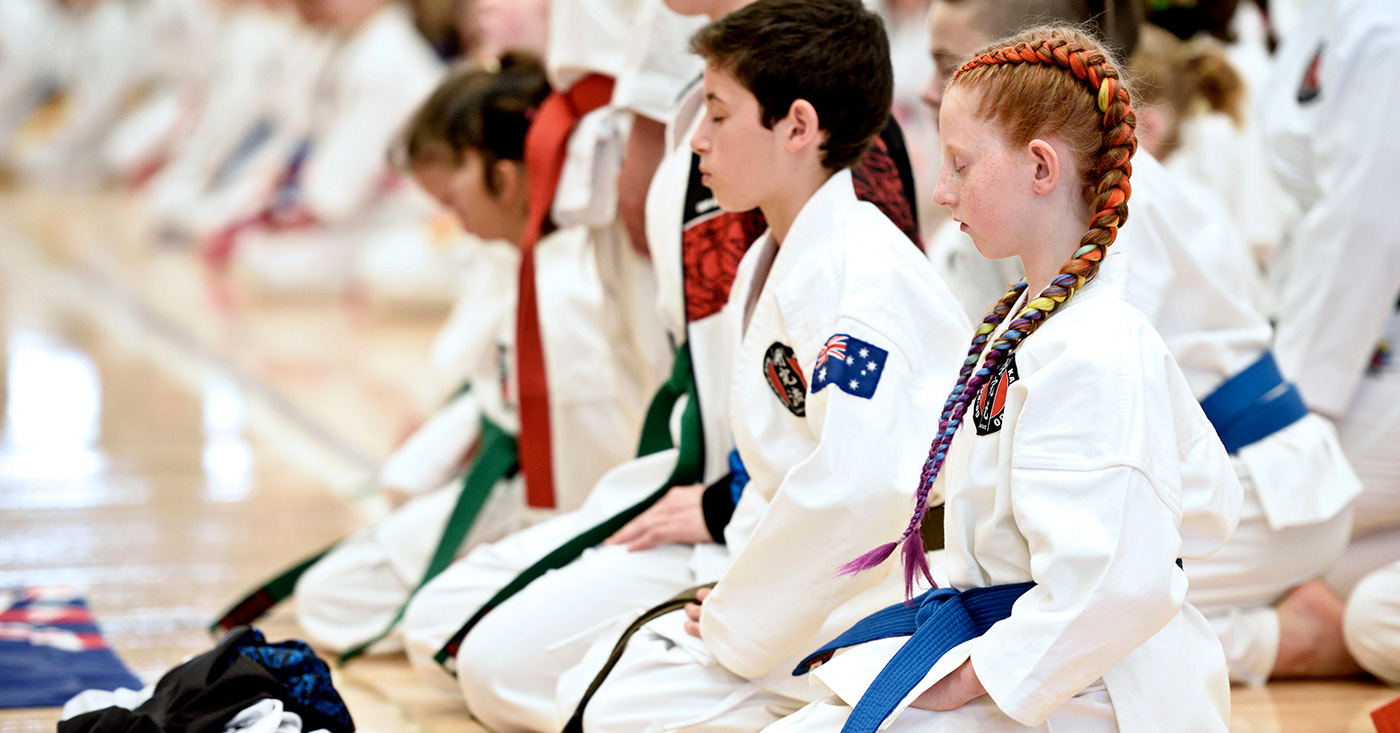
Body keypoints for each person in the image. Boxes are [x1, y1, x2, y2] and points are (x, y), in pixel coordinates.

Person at [769, 26, 1242, 732]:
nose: (940, 188)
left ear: (1041, 168)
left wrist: (973, 674)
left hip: (1089, 691)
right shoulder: (1027, 322)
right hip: (1035, 649)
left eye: (959, 163)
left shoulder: (1098, 349)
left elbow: (1115, 583)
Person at [545, 2, 970, 730]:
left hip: (870, 597)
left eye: (716, 115)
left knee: (607, 710)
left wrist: (739, 615)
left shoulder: (862, 281)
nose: (698, 143)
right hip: (789, 585)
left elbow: (853, 489)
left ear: (798, 127)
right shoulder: (774, 258)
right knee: (590, 692)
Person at [920, 0, 1362, 686]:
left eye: (950, 66)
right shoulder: (1048, 213)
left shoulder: (1115, 214)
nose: (929, 88)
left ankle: (1290, 636)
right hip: (1199, 478)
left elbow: (1097, 409)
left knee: (1081, 615)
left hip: (1263, 483)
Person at [212, 56, 662, 658]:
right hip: (521, 487)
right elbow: (492, 399)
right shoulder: (537, 268)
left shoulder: (566, 290)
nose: (461, 223)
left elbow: (584, 471)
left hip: (561, 506)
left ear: (504, 178)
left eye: (455, 200)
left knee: (420, 627)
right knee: (334, 592)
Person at [1253, 0, 1400, 686]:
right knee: (1337, 583)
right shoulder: (1326, 17)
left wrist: (1297, 409)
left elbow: (1364, 224)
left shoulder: (1381, 25)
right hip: (1345, 328)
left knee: (1254, 539)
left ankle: (1288, 638)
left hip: (1368, 336)